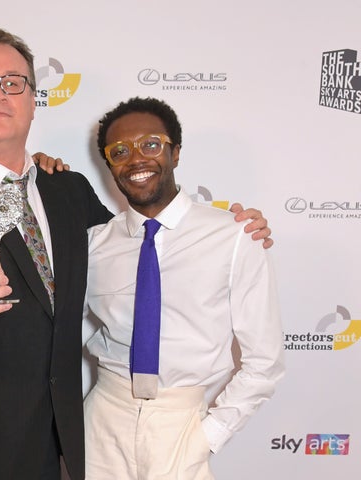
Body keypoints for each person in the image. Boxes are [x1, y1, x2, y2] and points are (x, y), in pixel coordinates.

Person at [0, 29, 272, 480]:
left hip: (59, 447)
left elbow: (142, 240)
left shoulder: (69, 190)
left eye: (12, 82)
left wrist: (235, 228)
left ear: (32, 100)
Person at [83, 97, 285, 479]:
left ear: (175, 152)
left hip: (181, 425)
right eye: (120, 151)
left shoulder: (235, 236)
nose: (137, 159)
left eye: (152, 144)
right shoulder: (94, 244)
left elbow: (265, 361)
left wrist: (208, 435)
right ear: (109, 166)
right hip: (101, 424)